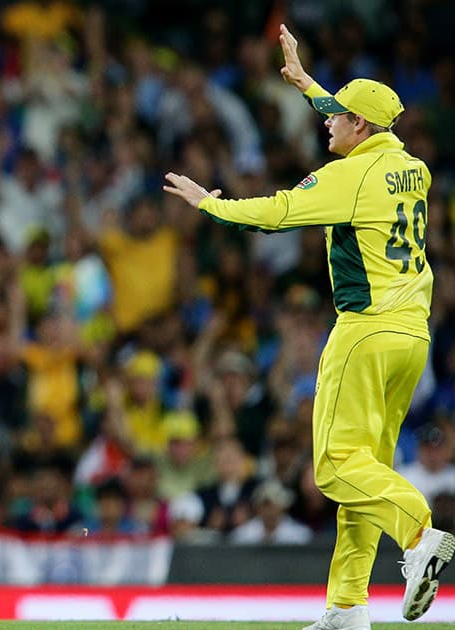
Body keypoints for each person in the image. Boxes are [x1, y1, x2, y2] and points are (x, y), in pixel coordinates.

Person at [163, 23, 454, 630]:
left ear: (361, 128)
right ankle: (347, 609)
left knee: (332, 466)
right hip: (412, 337)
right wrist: (306, 83)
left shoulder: (350, 178)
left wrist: (209, 203)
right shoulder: (414, 169)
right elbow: (361, 122)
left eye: (338, 115)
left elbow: (278, 213)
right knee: (361, 474)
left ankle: (419, 532)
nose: (328, 121)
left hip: (366, 331)